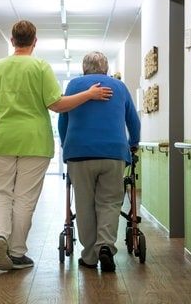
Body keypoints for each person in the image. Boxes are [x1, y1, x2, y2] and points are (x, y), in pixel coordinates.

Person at [0, 20, 112, 271]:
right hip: (34, 142)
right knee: (25, 198)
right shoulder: (40, 66)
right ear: (35, 41)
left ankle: (0, 236)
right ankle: (17, 252)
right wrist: (89, 95)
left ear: (12, 40)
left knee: (0, 192)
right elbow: (57, 105)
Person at [58, 51, 140, 272]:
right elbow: (133, 120)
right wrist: (134, 143)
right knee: (110, 203)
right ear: (106, 69)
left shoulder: (74, 85)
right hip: (113, 153)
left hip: (79, 153)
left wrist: (66, 145)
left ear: (84, 69)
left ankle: (90, 256)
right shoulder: (119, 86)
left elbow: (63, 120)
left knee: (84, 204)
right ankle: (105, 246)